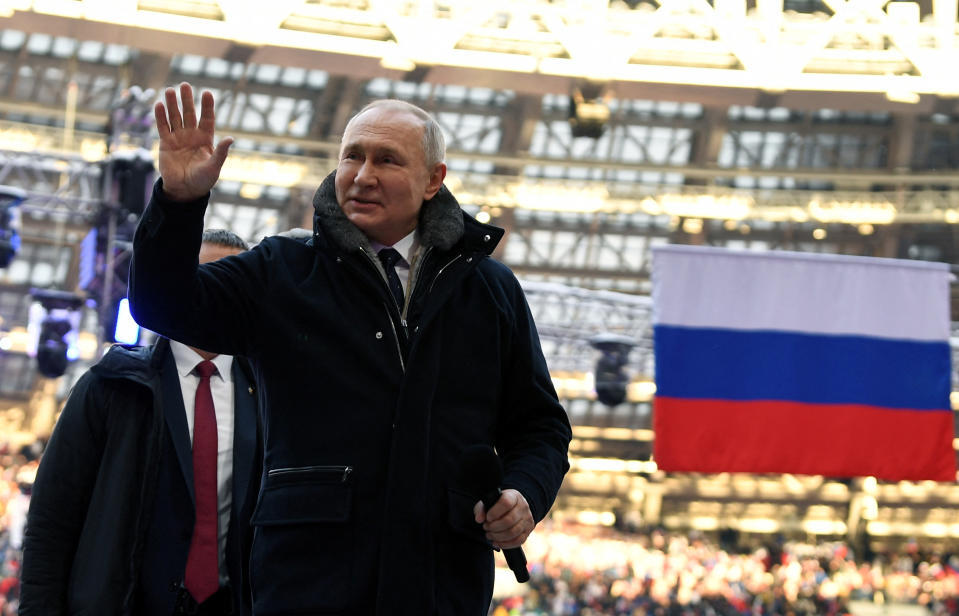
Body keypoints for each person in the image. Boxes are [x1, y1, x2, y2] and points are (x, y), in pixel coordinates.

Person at [128, 82, 572, 615]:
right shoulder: (281, 271)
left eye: (387, 159)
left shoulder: (490, 291)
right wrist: (178, 203)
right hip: (306, 584)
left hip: (441, 585)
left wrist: (525, 492)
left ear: (434, 180)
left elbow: (541, 428)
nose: (363, 176)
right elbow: (162, 306)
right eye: (352, 156)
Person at [20, 229, 261, 616]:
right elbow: (52, 520)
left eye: (232, 280)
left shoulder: (266, 397)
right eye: (205, 277)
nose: (217, 293)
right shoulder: (112, 386)